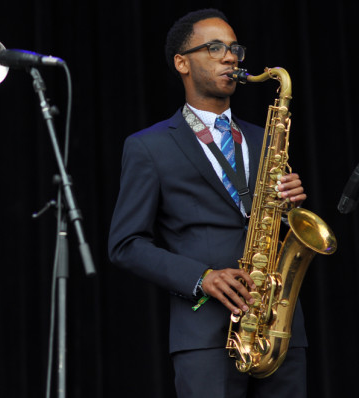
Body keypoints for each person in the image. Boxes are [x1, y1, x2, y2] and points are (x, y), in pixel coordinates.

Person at [108, 8, 308, 398]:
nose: (230, 57)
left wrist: (289, 206)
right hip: (205, 335)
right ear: (182, 63)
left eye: (234, 48)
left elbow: (271, 224)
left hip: (278, 328)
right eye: (214, 48)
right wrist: (202, 277)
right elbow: (125, 244)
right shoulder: (148, 147)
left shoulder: (265, 138)